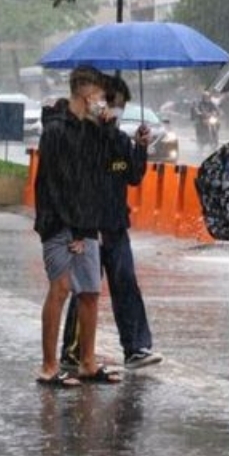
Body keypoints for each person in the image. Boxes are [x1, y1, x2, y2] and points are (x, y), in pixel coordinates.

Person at [60, 75, 162, 372]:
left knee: (126, 283)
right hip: (88, 227)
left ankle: (136, 347)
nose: (116, 110)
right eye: (113, 104)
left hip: (115, 224)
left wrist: (140, 147)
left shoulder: (118, 139)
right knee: (86, 290)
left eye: (121, 106)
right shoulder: (83, 136)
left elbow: (133, 176)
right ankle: (73, 351)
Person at [34, 66, 121, 387]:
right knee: (60, 289)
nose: (102, 101)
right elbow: (57, 184)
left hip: (85, 224)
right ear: (86, 93)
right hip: (60, 223)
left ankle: (87, 362)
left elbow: (105, 169)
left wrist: (108, 128)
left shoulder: (91, 129)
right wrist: (72, 229)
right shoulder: (56, 130)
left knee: (90, 293)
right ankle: (48, 366)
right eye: (99, 95)